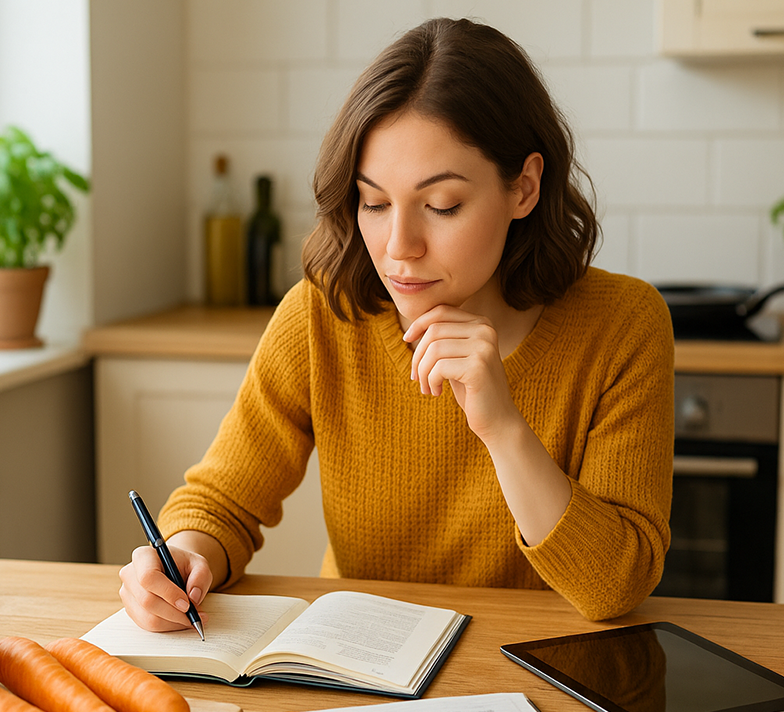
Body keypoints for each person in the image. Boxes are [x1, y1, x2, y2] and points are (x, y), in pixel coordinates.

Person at [118, 17, 675, 628]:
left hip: (536, 679)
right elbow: (221, 502)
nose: (398, 247)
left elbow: (617, 586)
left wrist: (503, 429)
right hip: (360, 672)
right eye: (375, 203)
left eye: (441, 206)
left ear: (524, 187)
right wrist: (180, 561)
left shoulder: (624, 325)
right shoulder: (320, 315)